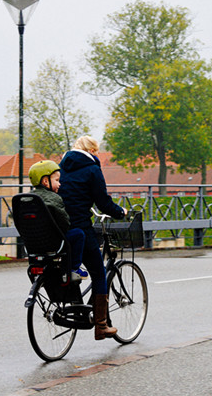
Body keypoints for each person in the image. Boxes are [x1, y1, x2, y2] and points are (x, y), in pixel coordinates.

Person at [58, 136, 128, 341]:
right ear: (92, 151)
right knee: (98, 272)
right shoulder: (92, 169)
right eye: (96, 151)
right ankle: (101, 326)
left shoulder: (61, 169)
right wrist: (120, 212)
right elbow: (103, 203)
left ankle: (75, 306)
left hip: (60, 228)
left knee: (70, 266)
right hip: (80, 226)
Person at [28, 160, 89, 280]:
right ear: (45, 181)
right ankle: (74, 268)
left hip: (32, 244)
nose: (60, 184)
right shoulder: (54, 198)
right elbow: (64, 223)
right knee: (78, 234)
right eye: (56, 180)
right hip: (53, 243)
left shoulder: (29, 198)